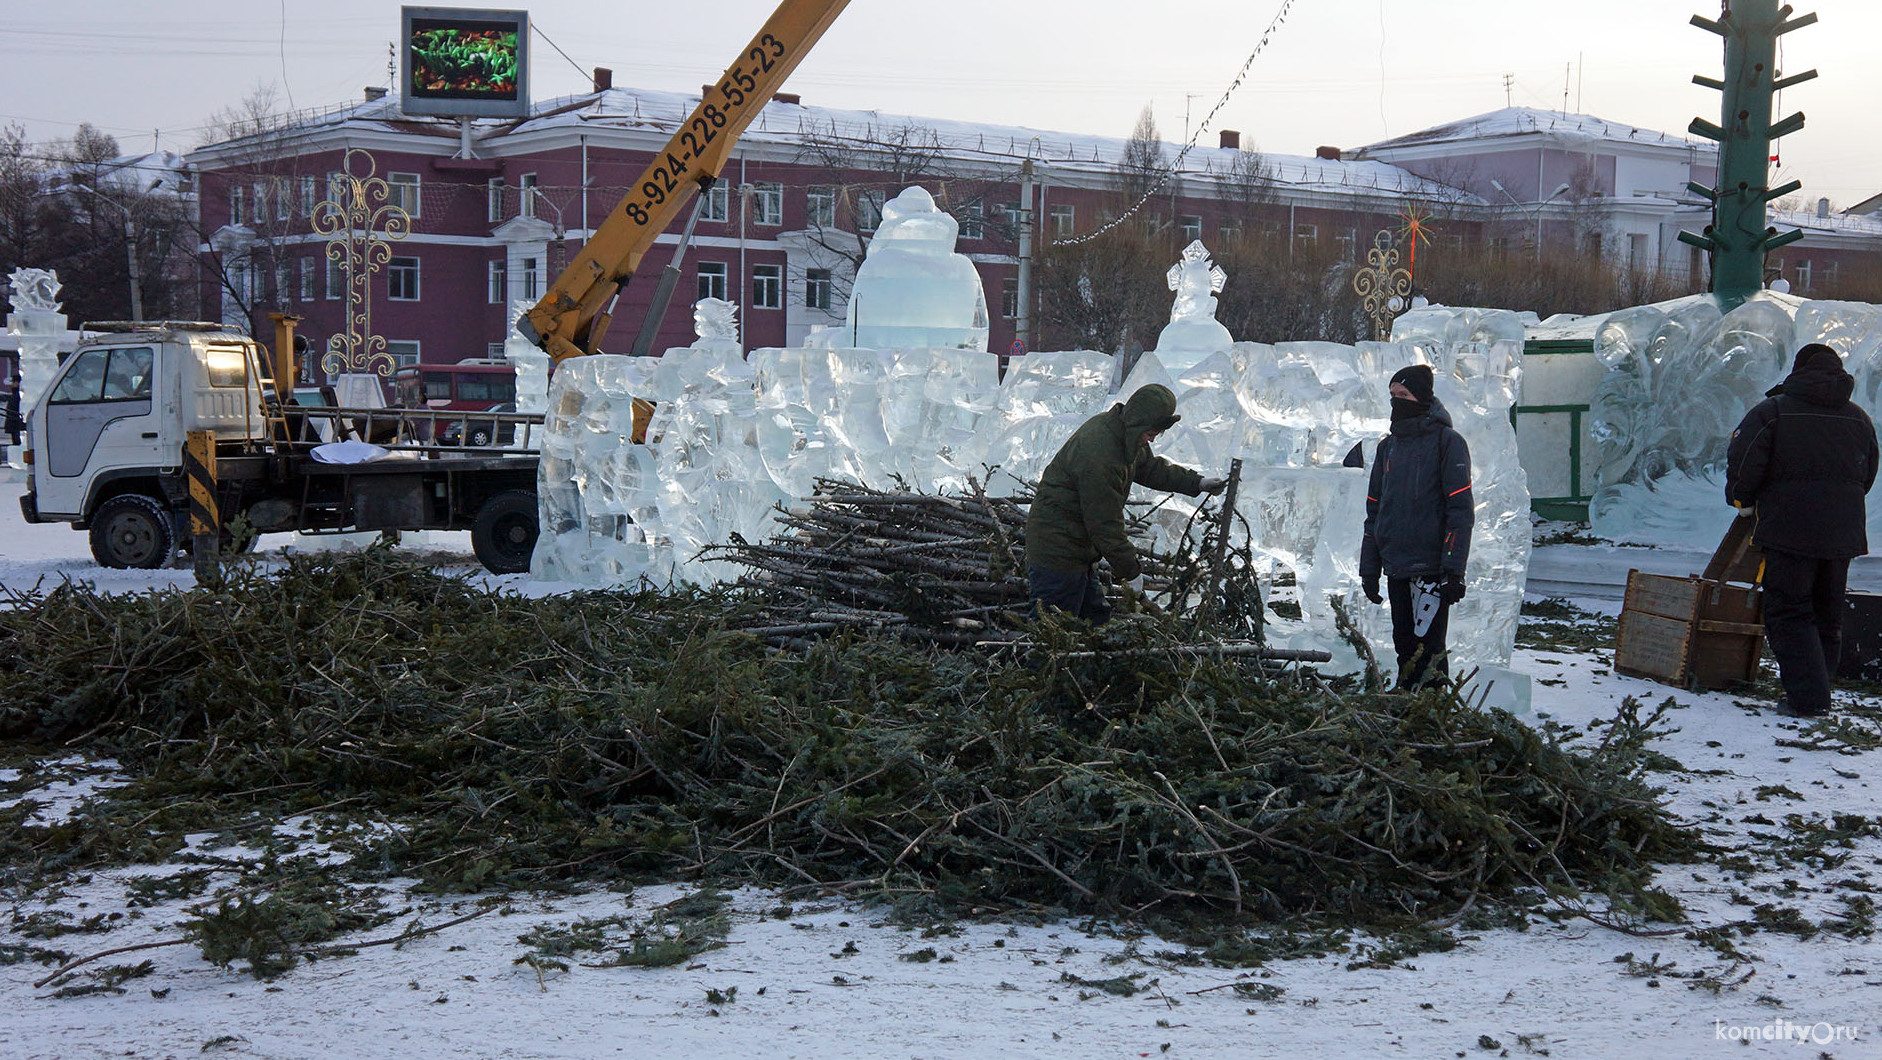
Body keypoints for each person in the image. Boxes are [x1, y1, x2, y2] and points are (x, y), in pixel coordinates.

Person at [1725, 342, 1880, 718]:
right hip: (1842, 536)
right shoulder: (1858, 418)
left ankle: (1809, 699)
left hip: (1788, 531)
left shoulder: (1774, 412)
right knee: (1827, 613)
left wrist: (1741, 501)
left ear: (1798, 371)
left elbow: (1745, 460)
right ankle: (1819, 690)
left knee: (1789, 612)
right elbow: (1868, 472)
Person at [1024, 383, 1227, 623]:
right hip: (1057, 550)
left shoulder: (1124, 434)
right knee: (1052, 633)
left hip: (1078, 550)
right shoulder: (1101, 453)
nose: (1151, 439)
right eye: (1150, 432)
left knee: (1096, 621)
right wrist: (1131, 572)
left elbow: (1150, 468)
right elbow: (1105, 525)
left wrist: (1197, 483)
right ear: (1139, 422)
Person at [1359, 364, 1474, 690]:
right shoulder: (1388, 447)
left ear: (1422, 398)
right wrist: (1369, 567)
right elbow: (1374, 510)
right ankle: (1406, 705)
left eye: (1404, 395)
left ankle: (1432, 713)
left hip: (1430, 571)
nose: (1397, 401)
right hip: (1396, 566)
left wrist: (1454, 569)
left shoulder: (1447, 442)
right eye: (1393, 395)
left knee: (1429, 651)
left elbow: (1460, 510)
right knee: (1404, 646)